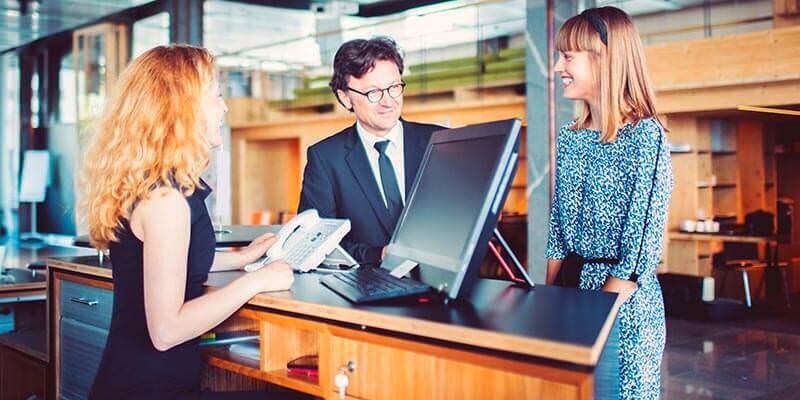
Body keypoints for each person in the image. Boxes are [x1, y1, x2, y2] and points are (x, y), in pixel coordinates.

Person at [80, 45, 294, 399]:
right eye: (216, 96)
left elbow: (164, 264)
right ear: (182, 108)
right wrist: (256, 281)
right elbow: (166, 332)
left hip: (132, 382)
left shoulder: (150, 185)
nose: (225, 108)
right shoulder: (166, 201)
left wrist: (240, 258)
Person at [544, 7, 673, 399]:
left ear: (603, 57)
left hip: (624, 308)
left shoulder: (646, 136)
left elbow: (639, 253)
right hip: (573, 297)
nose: (558, 67)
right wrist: (547, 307)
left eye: (568, 57)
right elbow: (557, 235)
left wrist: (594, 321)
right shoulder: (571, 138)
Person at [298, 37, 445, 264]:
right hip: (365, 281)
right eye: (373, 92)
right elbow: (313, 241)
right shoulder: (325, 159)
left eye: (394, 88)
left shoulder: (441, 142)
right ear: (345, 97)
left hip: (441, 279)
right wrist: (377, 255)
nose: (388, 102)